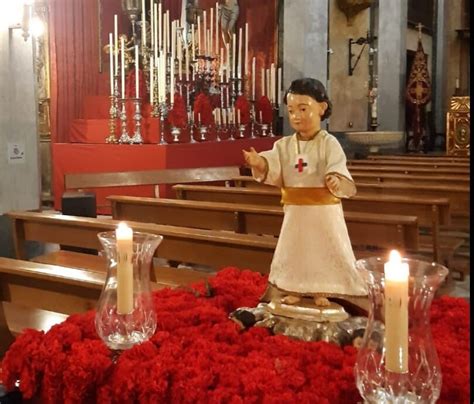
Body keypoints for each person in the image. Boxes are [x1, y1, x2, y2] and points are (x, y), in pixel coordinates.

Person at [242, 78, 367, 309]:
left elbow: (337, 167)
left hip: (323, 213)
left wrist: (334, 179)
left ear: (322, 107)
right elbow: (273, 166)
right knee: (296, 251)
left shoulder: (329, 143)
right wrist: (258, 162)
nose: (297, 116)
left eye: (303, 109)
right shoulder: (284, 145)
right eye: (291, 111)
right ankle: (294, 288)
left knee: (324, 248)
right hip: (296, 212)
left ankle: (323, 289)